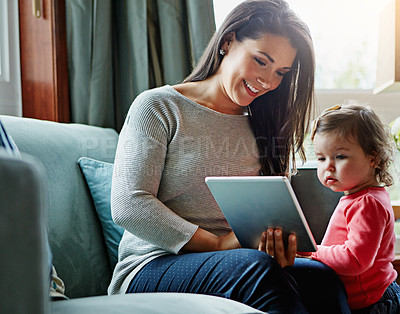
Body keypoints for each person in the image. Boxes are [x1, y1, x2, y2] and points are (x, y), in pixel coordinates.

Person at [108, 0, 350, 313]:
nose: (268, 82)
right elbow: (129, 206)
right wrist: (219, 244)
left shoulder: (261, 123)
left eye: (281, 72)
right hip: (153, 265)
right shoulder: (158, 107)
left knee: (325, 280)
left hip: (238, 259)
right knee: (258, 271)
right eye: (261, 61)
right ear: (227, 42)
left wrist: (281, 243)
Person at [302, 102, 400, 313]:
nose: (328, 166)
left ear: (372, 157)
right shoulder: (360, 197)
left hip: (373, 304)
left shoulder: (367, 204)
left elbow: (355, 260)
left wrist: (314, 251)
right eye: (321, 158)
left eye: (340, 156)